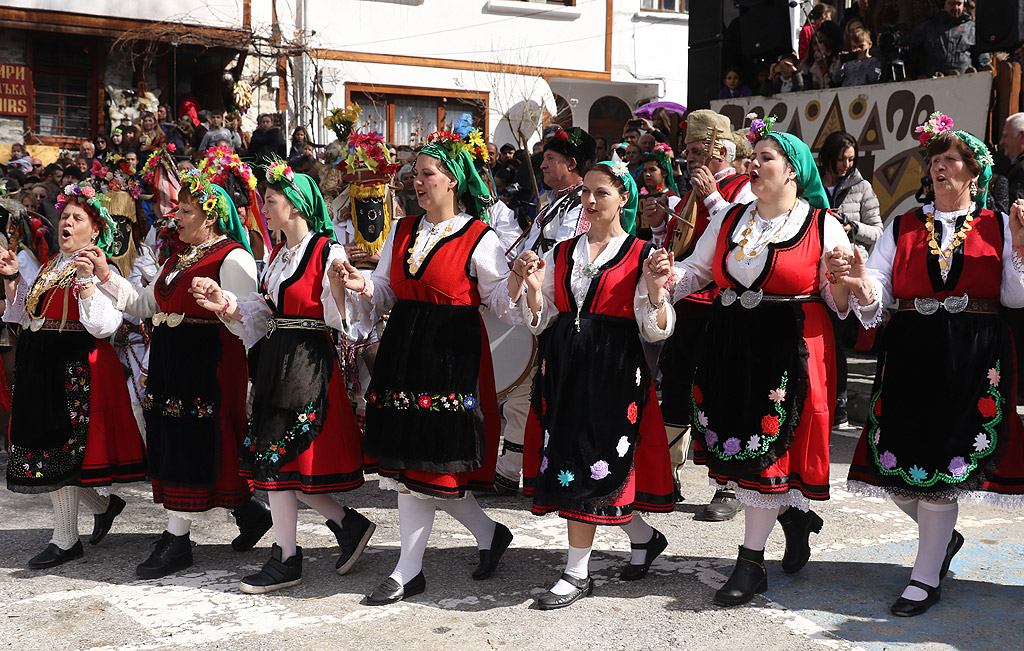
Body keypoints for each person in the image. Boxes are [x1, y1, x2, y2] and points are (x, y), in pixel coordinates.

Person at [835, 112, 1024, 616]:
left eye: (951, 161)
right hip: (912, 351)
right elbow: (879, 291)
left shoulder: (1001, 225)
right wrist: (861, 283)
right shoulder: (903, 223)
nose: (940, 168)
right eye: (935, 161)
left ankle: (923, 578)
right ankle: (942, 543)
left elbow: (1014, 295)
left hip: (972, 353)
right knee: (899, 466)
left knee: (944, 466)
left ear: (974, 172)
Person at [667, 118, 853, 606]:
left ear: (793, 171)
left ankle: (751, 562)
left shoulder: (820, 223)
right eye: (752, 158)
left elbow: (838, 303)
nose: (754, 165)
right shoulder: (730, 218)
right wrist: (663, 277)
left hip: (788, 349)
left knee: (770, 453)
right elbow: (697, 271)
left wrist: (845, 281)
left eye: (765, 158)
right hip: (733, 346)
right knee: (750, 452)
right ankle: (794, 517)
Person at [335, 131, 513, 605]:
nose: (417, 181)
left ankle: (408, 570)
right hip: (406, 352)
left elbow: (498, 300)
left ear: (452, 180)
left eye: (427, 173)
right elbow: (387, 289)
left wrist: (521, 283)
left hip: (452, 358)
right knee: (418, 466)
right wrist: (361, 284)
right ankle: (486, 536)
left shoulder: (480, 236)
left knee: (430, 465)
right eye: (414, 173)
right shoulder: (402, 229)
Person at [190, 162, 374, 594]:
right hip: (278, 362)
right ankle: (345, 526)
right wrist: (226, 303)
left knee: (280, 460)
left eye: (270, 202)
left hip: (307, 364)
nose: (263, 210)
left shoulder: (328, 251)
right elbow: (263, 313)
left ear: (295, 206)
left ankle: (288, 557)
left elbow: (346, 320)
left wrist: (344, 287)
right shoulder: (277, 257)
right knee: (280, 462)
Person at [85, 169, 273, 579]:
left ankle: (177, 540)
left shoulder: (233, 256)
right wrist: (104, 273)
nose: (176, 216)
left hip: (209, 364)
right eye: (178, 209)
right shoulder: (175, 258)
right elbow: (143, 304)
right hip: (174, 363)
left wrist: (220, 302)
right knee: (187, 442)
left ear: (210, 217)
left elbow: (247, 319)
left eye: (186, 210)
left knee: (194, 441)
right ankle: (249, 511)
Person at [507, 160, 675, 609]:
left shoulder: (642, 254)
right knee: (575, 459)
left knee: (596, 463)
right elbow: (544, 323)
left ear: (624, 198)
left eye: (602, 193)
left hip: (614, 370)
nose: (591, 200)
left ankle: (576, 572)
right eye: (587, 192)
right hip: (563, 367)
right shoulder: (563, 250)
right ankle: (643, 537)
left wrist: (657, 292)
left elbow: (656, 329)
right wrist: (536, 289)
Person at [0, 182, 146, 569]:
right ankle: (104, 504)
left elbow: (104, 325)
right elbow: (23, 315)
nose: (65, 222)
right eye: (64, 216)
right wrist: (14, 280)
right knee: (44, 448)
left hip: (72, 367)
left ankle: (65, 540)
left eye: (76, 218)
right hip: (39, 362)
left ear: (95, 229)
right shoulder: (51, 265)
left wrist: (87, 283)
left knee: (59, 449)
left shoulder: (101, 268)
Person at [650, 110, 755, 517]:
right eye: (688, 151)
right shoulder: (686, 192)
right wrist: (661, 226)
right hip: (687, 304)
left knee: (720, 390)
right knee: (674, 386)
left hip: (723, 307)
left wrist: (712, 196)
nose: (690, 158)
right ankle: (666, 473)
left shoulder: (745, 190)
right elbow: (681, 248)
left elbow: (739, 236)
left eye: (699, 151)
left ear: (721, 154)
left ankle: (727, 486)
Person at [490, 126, 597, 496]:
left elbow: (571, 254)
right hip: (535, 297)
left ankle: (549, 470)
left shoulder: (584, 204)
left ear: (571, 163)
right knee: (523, 389)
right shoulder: (553, 201)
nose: (543, 164)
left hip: (558, 305)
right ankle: (509, 468)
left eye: (550, 159)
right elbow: (528, 242)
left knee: (547, 391)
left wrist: (534, 276)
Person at [819, 130, 883, 427]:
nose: (846, 164)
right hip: (815, 270)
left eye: (851, 159)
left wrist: (851, 226)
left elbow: (877, 231)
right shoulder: (811, 183)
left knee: (838, 341)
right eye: (841, 158)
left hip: (848, 272)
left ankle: (840, 406)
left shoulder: (862, 187)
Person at [907, 0, 991, 78]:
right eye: (952, 4)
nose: (956, 8)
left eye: (959, 4)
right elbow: (911, 59)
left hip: (965, 84)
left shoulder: (972, 30)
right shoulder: (926, 29)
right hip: (933, 86)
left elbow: (983, 62)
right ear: (943, 4)